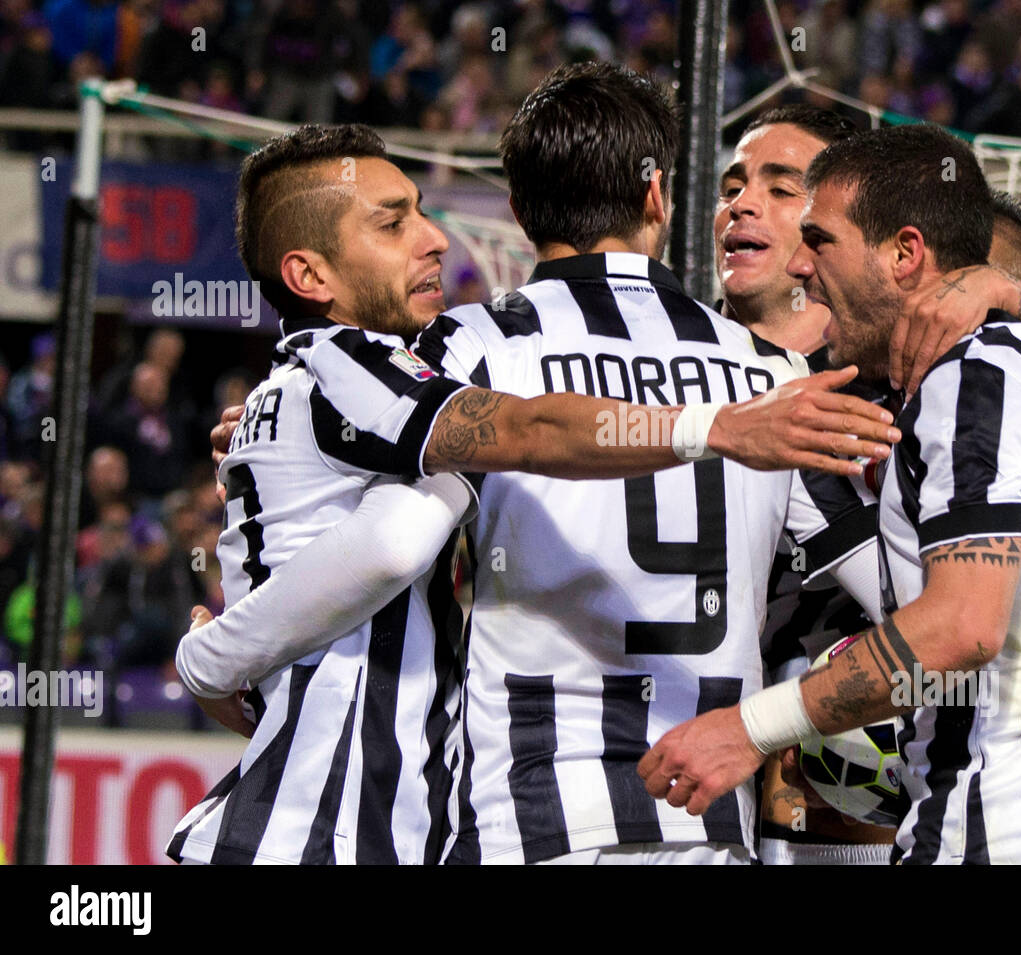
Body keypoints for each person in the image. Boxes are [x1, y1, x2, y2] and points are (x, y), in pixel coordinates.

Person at [166, 122, 896, 865]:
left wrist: (216, 654)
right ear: (659, 197)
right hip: (707, 819)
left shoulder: (464, 349)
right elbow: (924, 617)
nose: (436, 238)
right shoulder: (779, 388)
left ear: (517, 210)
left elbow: (402, 525)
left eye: (782, 190)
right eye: (734, 185)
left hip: (522, 820)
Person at [639, 123, 1021, 865]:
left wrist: (746, 729)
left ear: (905, 253)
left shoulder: (975, 374)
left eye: (819, 239)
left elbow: (959, 628)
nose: (801, 264)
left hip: (1011, 824)